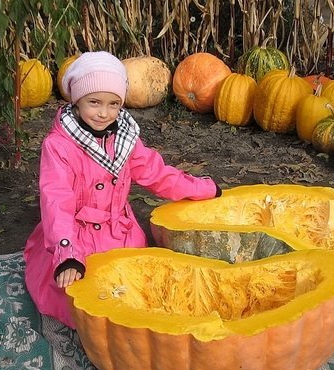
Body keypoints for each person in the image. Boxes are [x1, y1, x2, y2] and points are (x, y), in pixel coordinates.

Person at [23, 51, 221, 328]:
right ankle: (67, 267)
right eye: (94, 102)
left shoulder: (125, 140)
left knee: (141, 291)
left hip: (120, 232)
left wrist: (202, 188)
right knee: (87, 300)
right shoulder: (59, 146)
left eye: (113, 104)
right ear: (76, 100)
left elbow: (157, 173)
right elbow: (56, 199)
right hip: (77, 235)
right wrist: (66, 252)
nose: (103, 113)